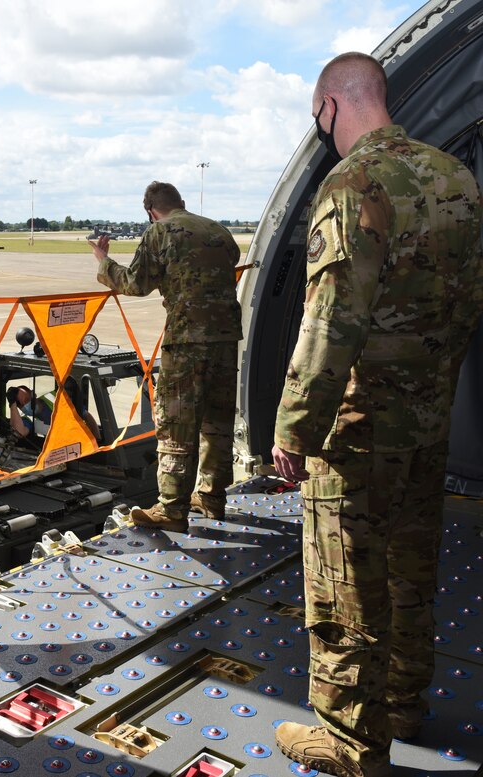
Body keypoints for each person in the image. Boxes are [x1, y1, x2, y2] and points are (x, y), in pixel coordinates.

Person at [270, 52, 482, 777]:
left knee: (345, 582)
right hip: (427, 423)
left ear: (333, 104)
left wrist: (295, 427)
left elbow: (332, 321)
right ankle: (404, 701)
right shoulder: (456, 177)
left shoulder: (353, 183)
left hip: (356, 432)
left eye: (317, 116)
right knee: (412, 568)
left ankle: (351, 741)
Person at [88, 181, 242, 532]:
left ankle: (172, 510)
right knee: (217, 423)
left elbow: (136, 283)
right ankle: (212, 497)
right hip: (225, 338)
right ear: (182, 202)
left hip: (187, 340)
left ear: (150, 211)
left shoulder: (160, 231)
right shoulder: (218, 230)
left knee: (175, 424)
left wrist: (103, 260)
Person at [6, 378, 100, 442]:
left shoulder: (57, 399)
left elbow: (86, 415)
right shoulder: (27, 419)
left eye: (26, 400)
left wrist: (96, 439)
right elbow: (19, 432)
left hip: (80, 445)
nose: (25, 405)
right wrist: (12, 404)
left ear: (33, 394)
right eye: (21, 405)